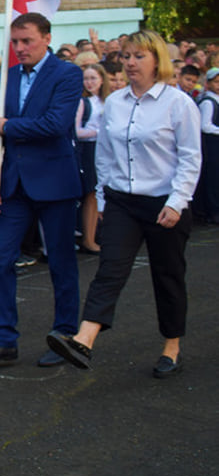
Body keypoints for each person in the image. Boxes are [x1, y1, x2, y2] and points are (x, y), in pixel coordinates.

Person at [46, 31, 201, 378]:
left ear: (157, 61)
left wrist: (177, 202)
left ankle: (171, 346)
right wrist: (102, 198)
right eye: (127, 56)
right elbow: (106, 155)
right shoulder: (115, 103)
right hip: (121, 201)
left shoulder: (178, 104)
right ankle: (84, 339)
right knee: (110, 267)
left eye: (139, 56)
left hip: (164, 203)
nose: (130, 63)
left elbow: (190, 159)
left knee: (168, 275)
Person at [0, 13, 84, 368]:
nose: (19, 48)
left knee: (61, 262)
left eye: (27, 41)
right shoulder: (6, 77)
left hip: (54, 182)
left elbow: (56, 124)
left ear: (47, 39)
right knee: (1, 258)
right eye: (15, 42)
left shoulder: (67, 74)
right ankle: (3, 338)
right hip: (12, 185)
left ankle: (65, 336)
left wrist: (10, 126)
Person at [75, 64, 110, 252]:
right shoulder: (83, 102)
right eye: (86, 79)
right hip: (89, 149)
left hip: (103, 148)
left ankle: (95, 234)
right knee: (91, 194)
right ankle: (88, 238)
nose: (89, 83)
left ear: (102, 79)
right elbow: (76, 130)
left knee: (99, 194)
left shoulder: (107, 101)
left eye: (93, 78)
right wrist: (98, 131)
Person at [196, 67, 219, 224]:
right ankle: (213, 211)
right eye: (216, 82)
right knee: (212, 179)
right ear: (208, 83)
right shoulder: (208, 102)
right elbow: (205, 125)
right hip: (211, 146)